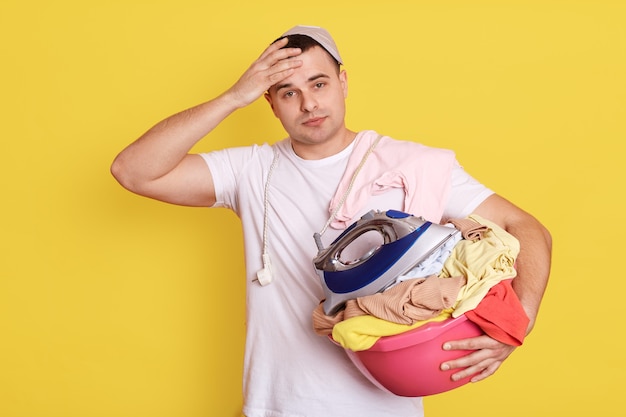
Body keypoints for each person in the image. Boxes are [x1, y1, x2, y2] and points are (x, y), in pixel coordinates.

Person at [111, 25, 551, 417]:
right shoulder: (250, 170)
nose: (308, 103)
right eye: (288, 92)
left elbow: (526, 228)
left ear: (342, 82)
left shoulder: (412, 164)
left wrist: (519, 321)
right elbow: (133, 171)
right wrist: (232, 98)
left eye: (319, 83)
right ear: (270, 103)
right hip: (275, 404)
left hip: (384, 407)